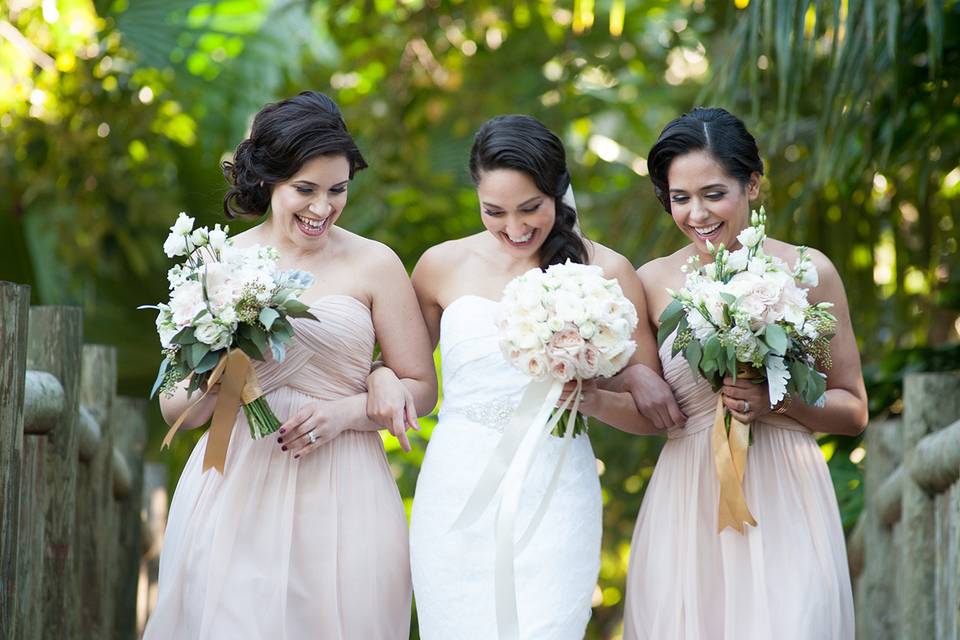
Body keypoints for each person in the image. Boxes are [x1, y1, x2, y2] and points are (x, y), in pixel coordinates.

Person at [366, 114, 677, 639]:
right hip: (457, 485)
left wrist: (606, 394)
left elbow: (655, 421)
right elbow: (406, 374)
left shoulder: (607, 273)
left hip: (557, 484)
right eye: (495, 211)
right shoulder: (439, 266)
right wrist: (379, 378)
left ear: (558, 191)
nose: (515, 228)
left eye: (531, 208)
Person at [143, 91, 436, 639]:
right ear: (268, 181)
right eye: (305, 190)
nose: (322, 208)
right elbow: (175, 409)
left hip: (345, 484)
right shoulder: (221, 263)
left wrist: (348, 411)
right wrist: (222, 359)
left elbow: (421, 388)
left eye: (338, 189)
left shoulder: (375, 263)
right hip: (235, 481)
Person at [619, 107, 867, 639]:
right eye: (679, 198)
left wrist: (776, 400)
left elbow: (854, 411)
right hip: (688, 497)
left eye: (713, 193)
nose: (696, 214)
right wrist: (590, 394)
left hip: (787, 492)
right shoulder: (650, 282)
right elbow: (654, 414)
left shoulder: (809, 271)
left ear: (752, 184)